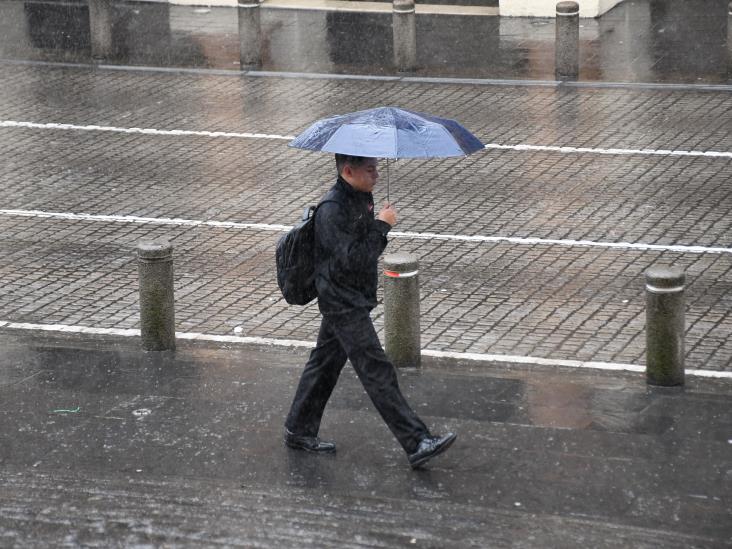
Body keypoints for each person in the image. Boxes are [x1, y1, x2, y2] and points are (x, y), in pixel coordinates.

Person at [284, 154, 456, 469]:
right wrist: (381, 227)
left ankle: (299, 429)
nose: (376, 174)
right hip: (341, 301)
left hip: (350, 297)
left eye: (376, 168)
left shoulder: (360, 197)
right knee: (377, 370)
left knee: (324, 364)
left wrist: (376, 222)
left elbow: (358, 251)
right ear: (348, 171)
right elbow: (352, 261)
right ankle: (417, 441)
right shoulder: (333, 210)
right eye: (370, 169)